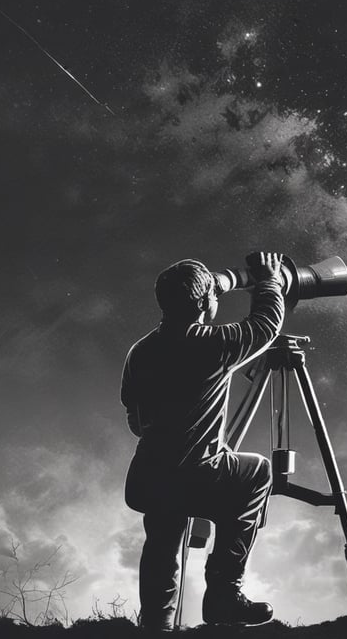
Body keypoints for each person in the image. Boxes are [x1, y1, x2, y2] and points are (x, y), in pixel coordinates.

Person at [121, 252, 285, 631]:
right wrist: (269, 281)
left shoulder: (140, 351)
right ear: (202, 304)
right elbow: (265, 325)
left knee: (162, 542)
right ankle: (224, 595)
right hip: (196, 477)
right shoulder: (214, 344)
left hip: (149, 478)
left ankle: (156, 626)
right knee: (258, 472)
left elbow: (135, 420)